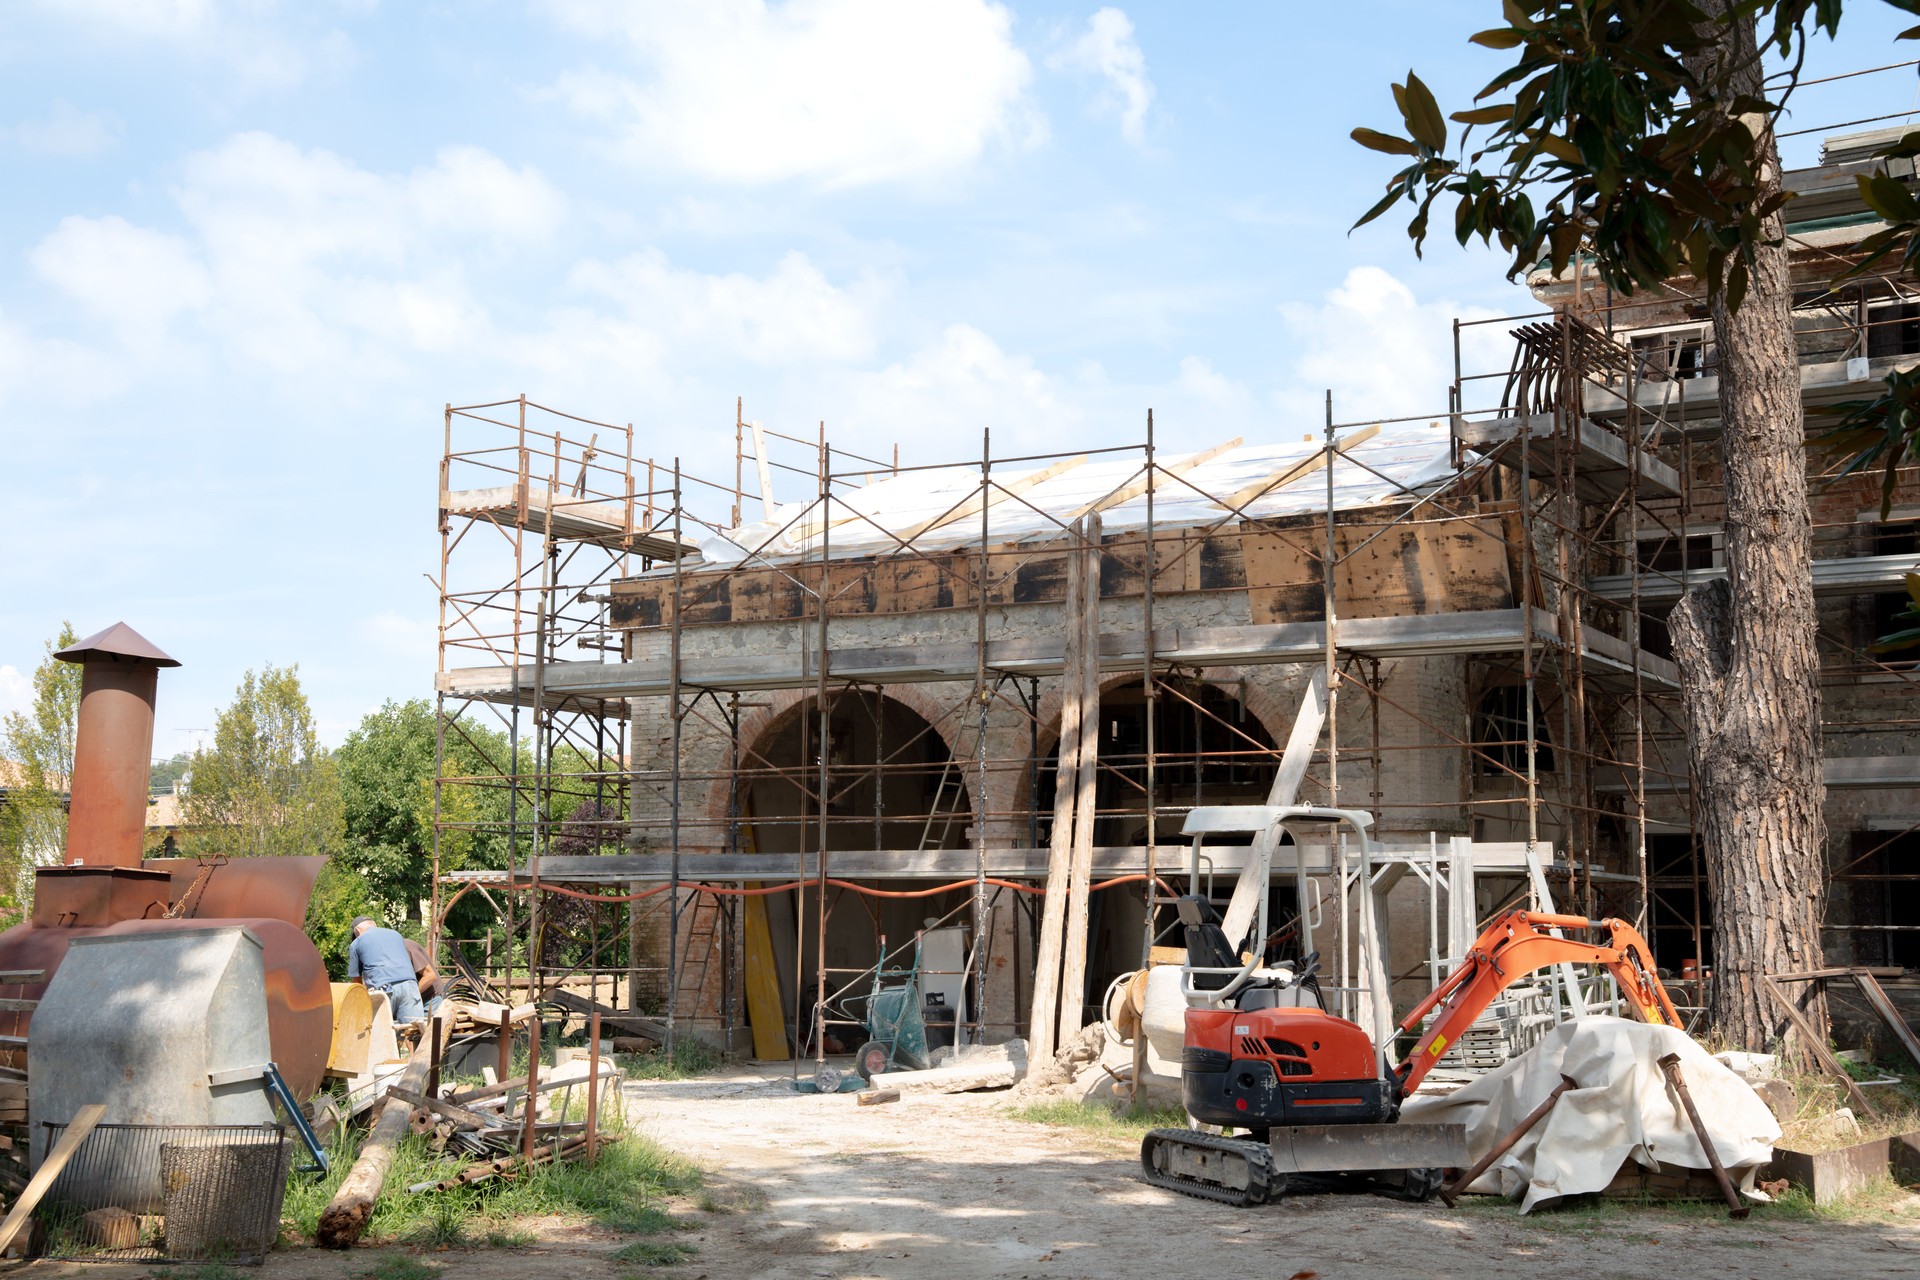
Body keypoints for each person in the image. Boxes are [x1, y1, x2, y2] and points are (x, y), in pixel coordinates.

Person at [346, 916, 426, 1024]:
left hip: (383, 989)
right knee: (413, 1029)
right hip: (410, 986)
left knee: (379, 1031)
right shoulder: (396, 935)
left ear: (358, 931)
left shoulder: (356, 943)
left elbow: (356, 981)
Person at [403, 936, 446, 1014]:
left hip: (430, 999)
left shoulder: (407, 946)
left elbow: (430, 976)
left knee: (426, 1022)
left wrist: (408, 997)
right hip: (414, 1001)